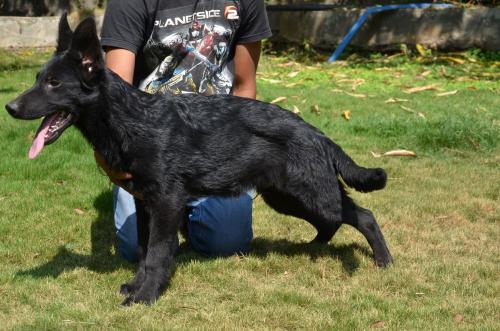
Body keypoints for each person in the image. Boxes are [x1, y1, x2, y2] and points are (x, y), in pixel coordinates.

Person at [97, 0, 272, 262]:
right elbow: (113, 97)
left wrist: (242, 158)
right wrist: (107, 160)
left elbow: (244, 88)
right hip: (151, 149)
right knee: (137, 248)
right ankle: (174, 210)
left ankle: (183, 213)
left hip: (213, 147)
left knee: (226, 243)